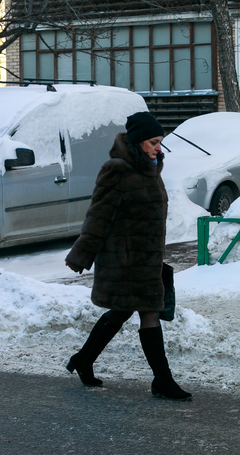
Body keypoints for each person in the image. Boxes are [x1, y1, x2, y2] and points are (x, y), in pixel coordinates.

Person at [64, 111, 191, 401]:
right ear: (137, 142)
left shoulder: (151, 169)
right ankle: (162, 380)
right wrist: (81, 254)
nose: (159, 148)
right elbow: (99, 215)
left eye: (160, 142)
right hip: (123, 260)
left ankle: (83, 359)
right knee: (148, 313)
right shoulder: (117, 170)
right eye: (153, 142)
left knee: (122, 312)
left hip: (147, 259)